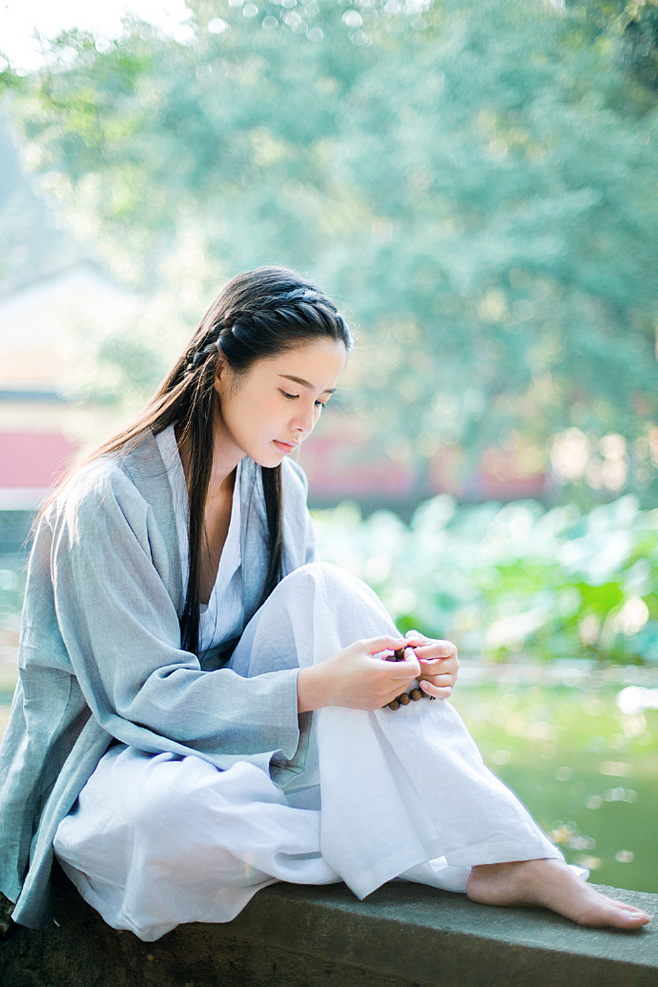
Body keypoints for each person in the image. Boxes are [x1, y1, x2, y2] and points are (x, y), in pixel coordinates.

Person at [0, 266, 650, 942]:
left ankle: (509, 851)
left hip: (233, 746)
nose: (305, 421)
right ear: (221, 370)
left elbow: (307, 635)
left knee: (326, 590)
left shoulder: (280, 488)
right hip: (113, 759)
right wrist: (322, 686)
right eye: (290, 392)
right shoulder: (107, 498)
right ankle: (429, 852)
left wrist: (399, 671)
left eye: (323, 401)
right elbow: (139, 698)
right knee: (174, 825)